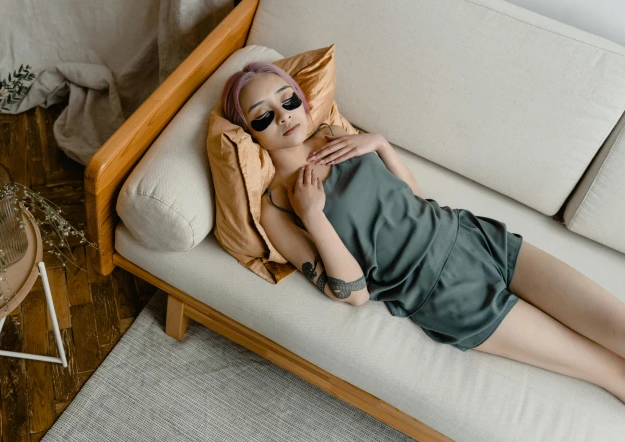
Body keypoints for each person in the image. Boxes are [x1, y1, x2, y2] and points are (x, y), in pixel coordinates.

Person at [220, 60, 625, 403]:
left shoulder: (335, 134)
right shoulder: (275, 206)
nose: (285, 115)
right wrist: (313, 215)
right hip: (440, 292)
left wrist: (379, 144)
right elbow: (354, 294)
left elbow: (411, 196)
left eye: (287, 99)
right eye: (264, 115)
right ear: (248, 130)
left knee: (618, 324)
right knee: (609, 370)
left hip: (473, 234)